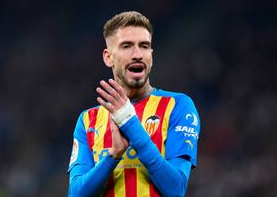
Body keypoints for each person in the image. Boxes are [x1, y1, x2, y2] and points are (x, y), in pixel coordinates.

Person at [67, 11, 201, 197]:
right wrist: (112, 156)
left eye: (144, 46)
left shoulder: (178, 106)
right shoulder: (88, 120)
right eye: (126, 46)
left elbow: (176, 189)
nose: (137, 54)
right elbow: (76, 193)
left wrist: (130, 124)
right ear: (108, 57)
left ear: (151, 56)